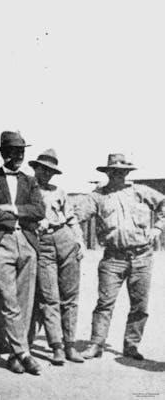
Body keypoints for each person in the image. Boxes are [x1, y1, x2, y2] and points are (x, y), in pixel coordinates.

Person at [76, 153, 165, 360]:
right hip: (113, 258)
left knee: (140, 305)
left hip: (142, 256)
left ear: (127, 173)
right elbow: (74, 214)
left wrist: (158, 228)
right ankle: (96, 344)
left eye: (122, 172)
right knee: (105, 302)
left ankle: (131, 345)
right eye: (114, 171)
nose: (118, 175)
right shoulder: (97, 197)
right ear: (108, 173)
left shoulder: (140, 192)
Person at [0, 131, 45, 375]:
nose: (18, 156)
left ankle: (15, 355)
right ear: (3, 154)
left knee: (25, 302)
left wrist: (10, 208)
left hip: (26, 242)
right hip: (0, 243)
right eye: (13, 152)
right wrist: (20, 212)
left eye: (22, 152)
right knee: (8, 300)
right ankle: (24, 353)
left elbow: (39, 211)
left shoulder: (30, 181)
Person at [28, 149, 85, 365]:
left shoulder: (58, 191)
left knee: (70, 296)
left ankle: (70, 345)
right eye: (44, 169)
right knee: (49, 297)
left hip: (65, 239)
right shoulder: (26, 190)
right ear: (36, 168)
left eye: (52, 171)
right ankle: (57, 346)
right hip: (42, 243)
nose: (48, 174)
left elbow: (71, 219)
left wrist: (79, 241)